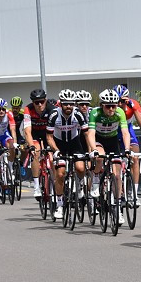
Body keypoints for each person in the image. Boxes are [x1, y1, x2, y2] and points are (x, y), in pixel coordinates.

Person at [44, 90, 91, 219]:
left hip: (75, 144)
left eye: (71, 104)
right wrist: (56, 150)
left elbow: (87, 134)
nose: (69, 106)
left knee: (81, 168)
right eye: (66, 104)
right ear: (61, 104)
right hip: (59, 145)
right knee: (60, 174)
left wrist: (91, 150)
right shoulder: (54, 115)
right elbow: (49, 137)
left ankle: (80, 187)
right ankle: (59, 205)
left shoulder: (78, 114)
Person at [88, 89, 131, 203]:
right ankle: (96, 177)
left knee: (117, 176)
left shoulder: (120, 112)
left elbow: (125, 132)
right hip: (99, 139)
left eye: (114, 106)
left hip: (112, 140)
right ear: (102, 105)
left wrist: (127, 149)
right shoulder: (95, 113)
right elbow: (91, 134)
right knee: (100, 156)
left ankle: (117, 204)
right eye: (108, 106)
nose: (111, 109)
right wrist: (93, 150)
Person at [116, 85, 141, 206]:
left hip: (128, 131)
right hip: (114, 131)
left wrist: (134, 109)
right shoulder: (111, 107)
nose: (119, 104)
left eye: (122, 101)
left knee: (135, 158)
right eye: (117, 101)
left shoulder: (132, 104)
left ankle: (134, 193)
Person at [20, 88, 55, 200]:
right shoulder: (28, 109)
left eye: (42, 101)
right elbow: (27, 131)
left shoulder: (52, 109)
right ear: (32, 102)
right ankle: (36, 186)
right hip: (34, 134)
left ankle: (54, 183)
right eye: (36, 102)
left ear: (46, 100)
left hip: (48, 134)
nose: (40, 105)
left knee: (53, 157)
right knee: (36, 152)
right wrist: (31, 146)